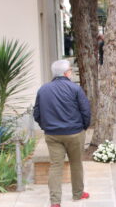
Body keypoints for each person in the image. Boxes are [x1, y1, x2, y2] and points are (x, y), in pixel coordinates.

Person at [33, 60, 91, 207]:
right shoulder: (75, 88)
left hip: (52, 134)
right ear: (67, 73)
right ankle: (78, 194)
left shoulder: (43, 89)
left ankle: (55, 201)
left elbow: (37, 114)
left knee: (55, 166)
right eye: (70, 70)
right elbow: (86, 111)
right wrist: (83, 127)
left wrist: (46, 126)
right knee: (76, 164)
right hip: (74, 133)